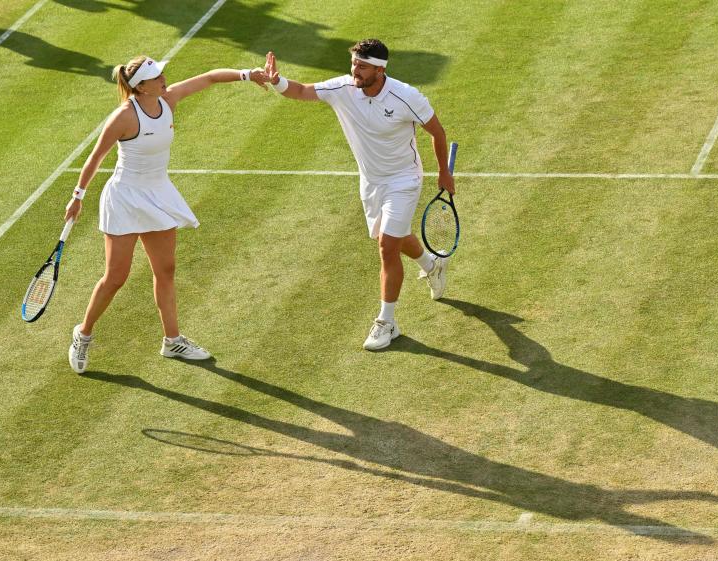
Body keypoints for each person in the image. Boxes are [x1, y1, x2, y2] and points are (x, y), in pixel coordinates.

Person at [64, 56, 268, 373]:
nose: (164, 78)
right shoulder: (123, 117)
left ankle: (172, 341)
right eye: (156, 75)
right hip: (125, 198)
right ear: (140, 86)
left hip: (157, 193)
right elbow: (95, 157)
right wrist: (77, 197)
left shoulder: (168, 99)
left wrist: (247, 75)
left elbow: (210, 77)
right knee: (116, 277)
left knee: (166, 270)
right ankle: (84, 333)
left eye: (162, 73)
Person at [264, 39, 455, 351]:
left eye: (362, 66)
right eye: (354, 63)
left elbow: (437, 132)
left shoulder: (406, 96)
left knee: (386, 247)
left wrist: (445, 173)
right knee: (391, 236)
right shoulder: (343, 89)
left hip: (403, 180)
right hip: (371, 182)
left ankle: (387, 322)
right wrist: (277, 81)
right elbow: (300, 91)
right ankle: (431, 264)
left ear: (380, 70)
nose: (355, 70)